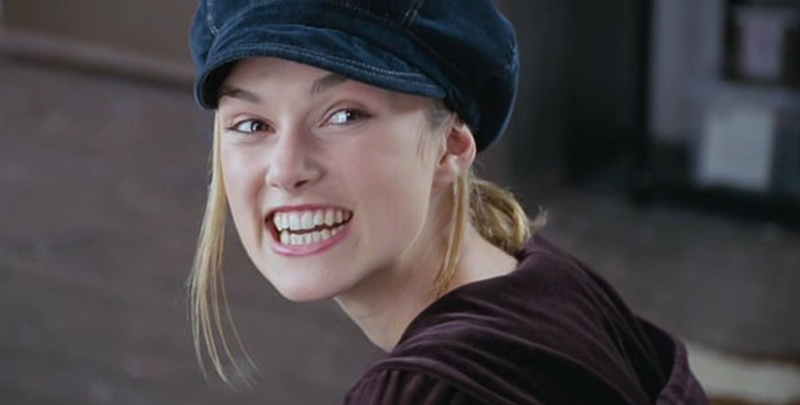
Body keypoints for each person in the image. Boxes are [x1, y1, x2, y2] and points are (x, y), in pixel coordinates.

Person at [187, 1, 709, 403]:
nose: (285, 170)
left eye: (344, 115)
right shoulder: (546, 280)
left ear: (452, 147)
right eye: (251, 125)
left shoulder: (427, 393)